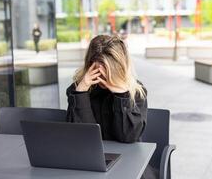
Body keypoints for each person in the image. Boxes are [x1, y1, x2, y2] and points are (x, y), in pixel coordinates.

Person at [66, 35, 157, 178]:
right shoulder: (79, 90)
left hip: (129, 163)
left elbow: (128, 137)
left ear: (119, 68)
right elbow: (83, 137)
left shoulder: (136, 92)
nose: (103, 77)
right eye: (98, 70)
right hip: (90, 163)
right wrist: (81, 92)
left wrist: (121, 95)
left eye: (108, 72)